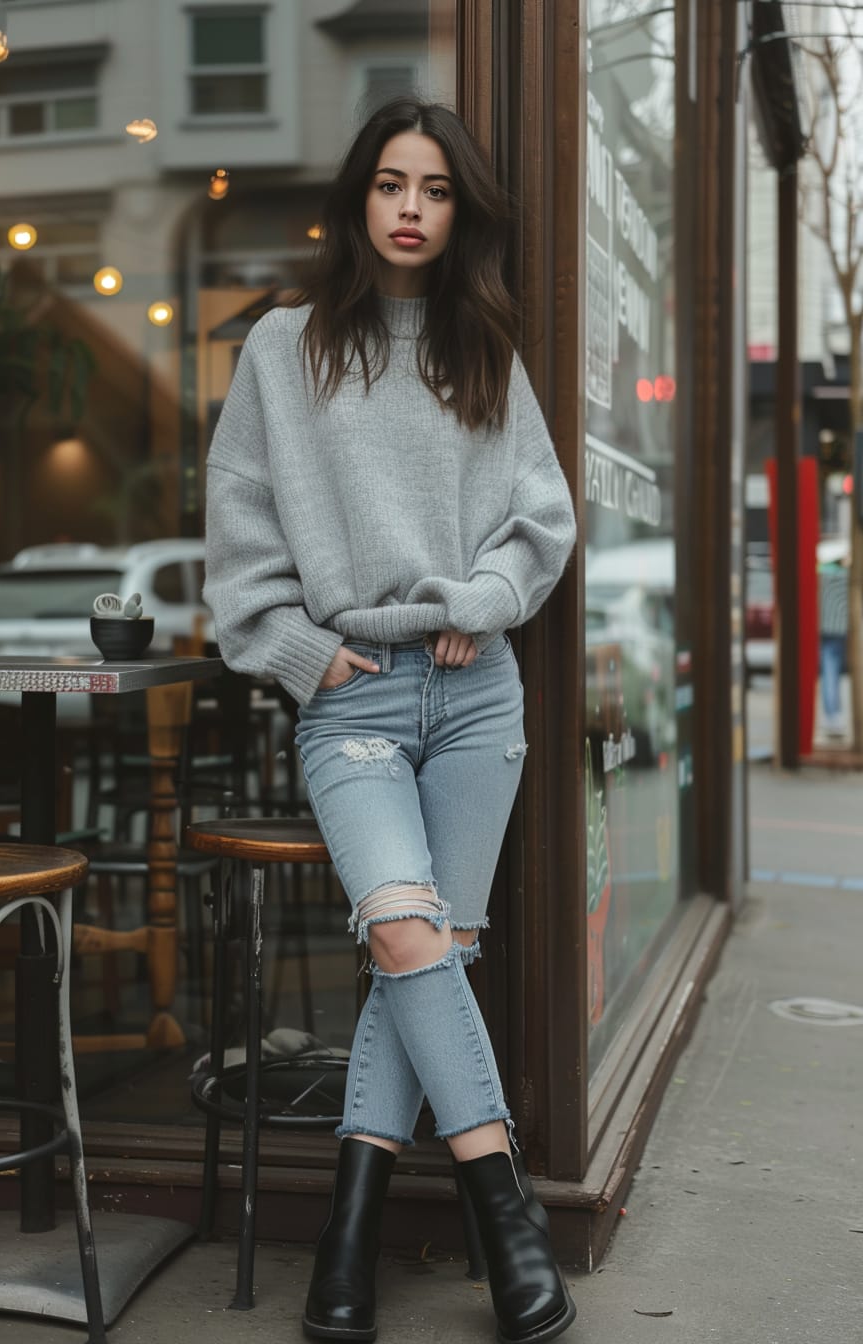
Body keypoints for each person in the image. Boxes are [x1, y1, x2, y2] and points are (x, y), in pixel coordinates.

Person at [204, 96, 577, 1344]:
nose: (411, 209)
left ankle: (348, 1246)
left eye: (434, 190)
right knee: (411, 943)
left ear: (456, 213)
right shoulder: (283, 350)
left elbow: (541, 517)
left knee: (421, 963)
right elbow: (241, 551)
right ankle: (505, 1219)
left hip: (477, 697)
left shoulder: (484, 348)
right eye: (390, 185)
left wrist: (481, 595)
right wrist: (308, 657)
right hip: (354, 699)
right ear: (357, 199)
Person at [818, 550, 850, 738]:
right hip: (840, 629)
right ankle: (834, 714)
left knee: (828, 672)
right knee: (834, 673)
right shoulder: (845, 578)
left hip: (825, 629)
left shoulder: (822, 577)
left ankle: (831, 714)